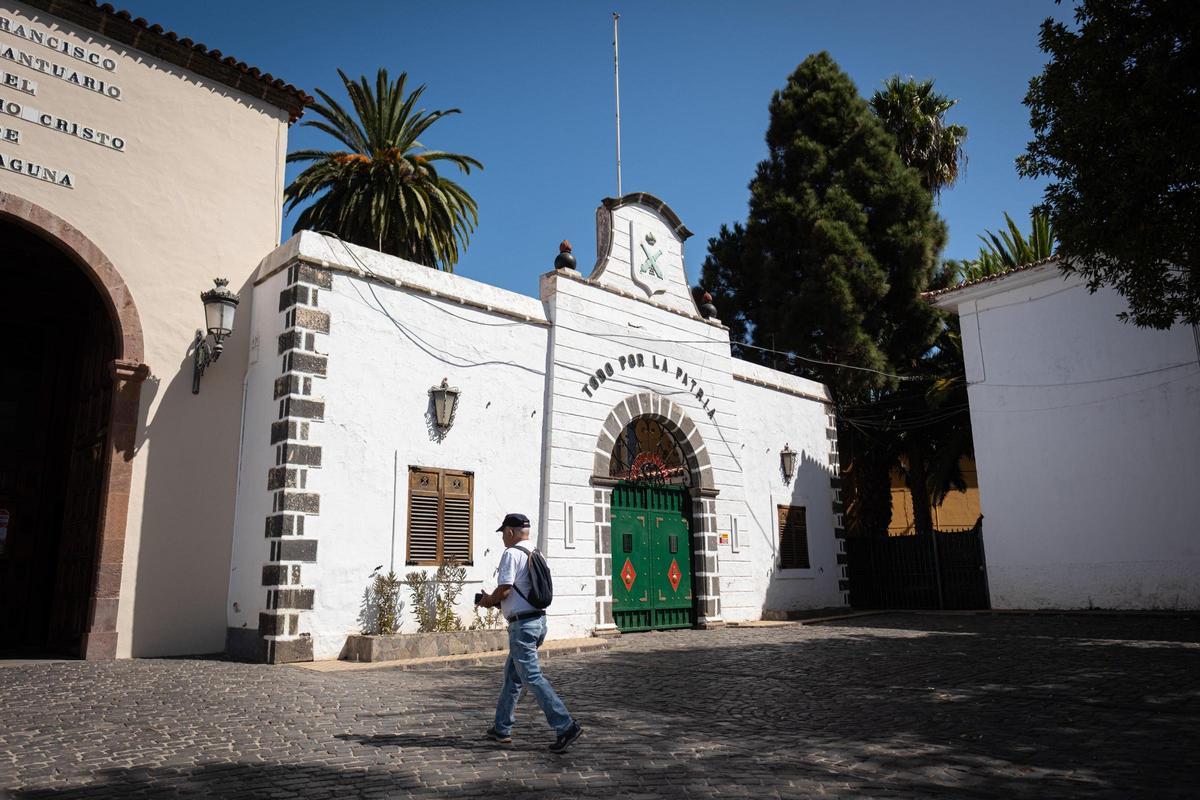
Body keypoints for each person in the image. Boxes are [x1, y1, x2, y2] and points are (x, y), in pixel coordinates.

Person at [475, 513, 583, 753]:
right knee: (512, 677)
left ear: (511, 532)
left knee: (532, 677)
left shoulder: (511, 553)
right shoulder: (536, 552)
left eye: (503, 532)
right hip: (538, 621)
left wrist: (487, 600)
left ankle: (565, 726)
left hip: (522, 626)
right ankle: (501, 728)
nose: (503, 537)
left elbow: (504, 590)